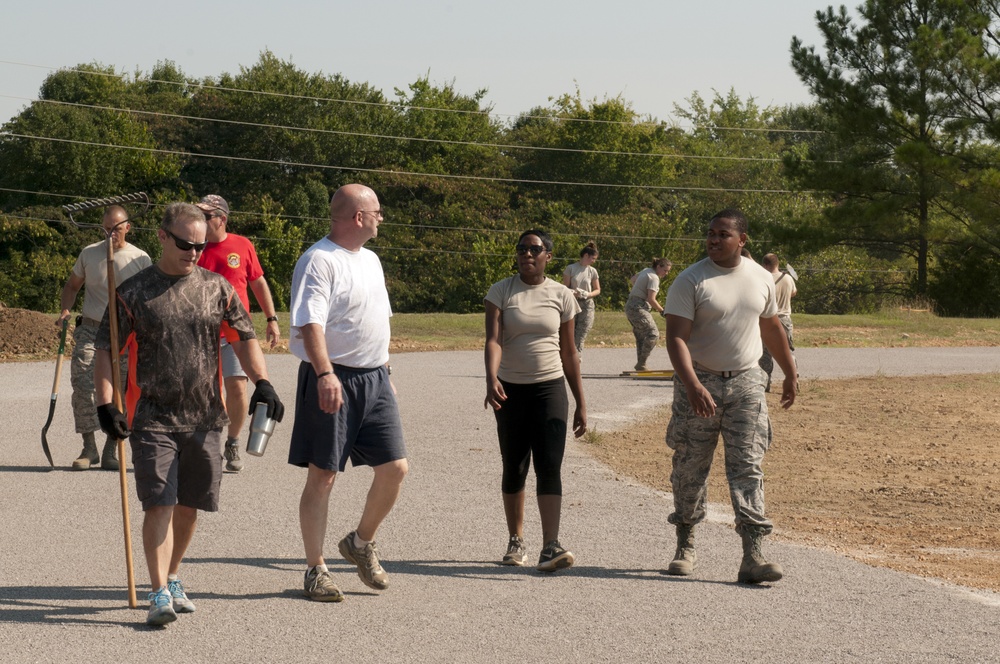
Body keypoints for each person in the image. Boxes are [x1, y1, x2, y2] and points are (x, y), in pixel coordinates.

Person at [92, 202, 284, 626]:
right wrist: (106, 403)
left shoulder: (218, 288)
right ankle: (158, 590)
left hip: (204, 417)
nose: (193, 252)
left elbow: (243, 337)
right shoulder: (134, 292)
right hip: (153, 415)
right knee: (159, 502)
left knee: (190, 505)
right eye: (184, 243)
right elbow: (106, 349)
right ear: (162, 236)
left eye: (199, 245)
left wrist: (263, 383)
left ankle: (174, 574)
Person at [662, 208, 797, 584]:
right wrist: (692, 385)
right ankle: (685, 541)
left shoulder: (761, 277)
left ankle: (753, 554)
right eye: (710, 234)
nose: (714, 240)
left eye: (723, 234)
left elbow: (770, 327)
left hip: (747, 382)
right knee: (690, 466)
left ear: (742, 240)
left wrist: (790, 371)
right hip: (699, 380)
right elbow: (675, 337)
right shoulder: (690, 280)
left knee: (747, 466)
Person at [288, 183, 408, 603]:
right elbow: (310, 323)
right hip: (333, 377)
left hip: (375, 378)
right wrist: (324, 374)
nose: (380, 217)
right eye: (376, 210)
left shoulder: (371, 260)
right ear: (358, 217)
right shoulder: (318, 260)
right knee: (323, 475)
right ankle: (315, 569)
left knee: (395, 468)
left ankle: (359, 543)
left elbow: (376, 319)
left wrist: (386, 369)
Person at [485, 230, 587, 573]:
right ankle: (516, 541)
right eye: (522, 248)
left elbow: (569, 351)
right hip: (510, 390)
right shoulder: (501, 291)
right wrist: (491, 377)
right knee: (514, 465)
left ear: (548, 256)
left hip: (550, 389)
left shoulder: (561, 295)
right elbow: (493, 340)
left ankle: (550, 545)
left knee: (549, 464)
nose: (527, 253)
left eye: (535, 249)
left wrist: (581, 402)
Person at [56, 205, 151, 471]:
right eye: (107, 229)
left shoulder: (140, 258)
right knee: (84, 386)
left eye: (117, 229)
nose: (112, 235)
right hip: (91, 328)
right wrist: (65, 308)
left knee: (119, 392)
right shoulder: (89, 253)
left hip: (124, 333)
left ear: (128, 228)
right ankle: (89, 449)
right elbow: (72, 286)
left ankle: (112, 448)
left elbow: (150, 297)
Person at [195, 194, 281, 473]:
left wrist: (271, 318)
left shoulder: (242, 245)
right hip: (201, 333)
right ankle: (207, 443)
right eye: (198, 215)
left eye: (206, 216)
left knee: (237, 387)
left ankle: (232, 441)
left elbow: (257, 282)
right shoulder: (192, 247)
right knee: (206, 392)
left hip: (235, 332)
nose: (200, 221)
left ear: (222, 219)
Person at [758, 253, 797, 392]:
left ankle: (765, 384)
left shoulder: (764, 279)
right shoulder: (788, 278)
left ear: (765, 265)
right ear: (777, 263)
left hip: (769, 319)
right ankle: (794, 379)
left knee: (765, 354)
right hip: (786, 319)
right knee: (788, 350)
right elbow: (793, 293)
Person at [625, 258, 672, 371]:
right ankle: (641, 363)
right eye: (665, 270)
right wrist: (662, 311)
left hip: (630, 304)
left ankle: (641, 365)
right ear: (659, 267)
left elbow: (633, 279)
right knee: (653, 334)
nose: (666, 273)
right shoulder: (654, 278)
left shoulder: (646, 271)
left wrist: (639, 290)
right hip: (638, 307)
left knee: (641, 336)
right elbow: (652, 299)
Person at [562, 241, 601, 355]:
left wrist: (587, 294)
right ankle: (570, 358)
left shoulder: (592, 271)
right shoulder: (571, 268)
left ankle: (576, 358)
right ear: (585, 256)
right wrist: (573, 292)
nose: (594, 261)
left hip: (587, 304)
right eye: (592, 258)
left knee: (581, 334)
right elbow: (565, 287)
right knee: (571, 334)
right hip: (573, 303)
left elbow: (597, 290)